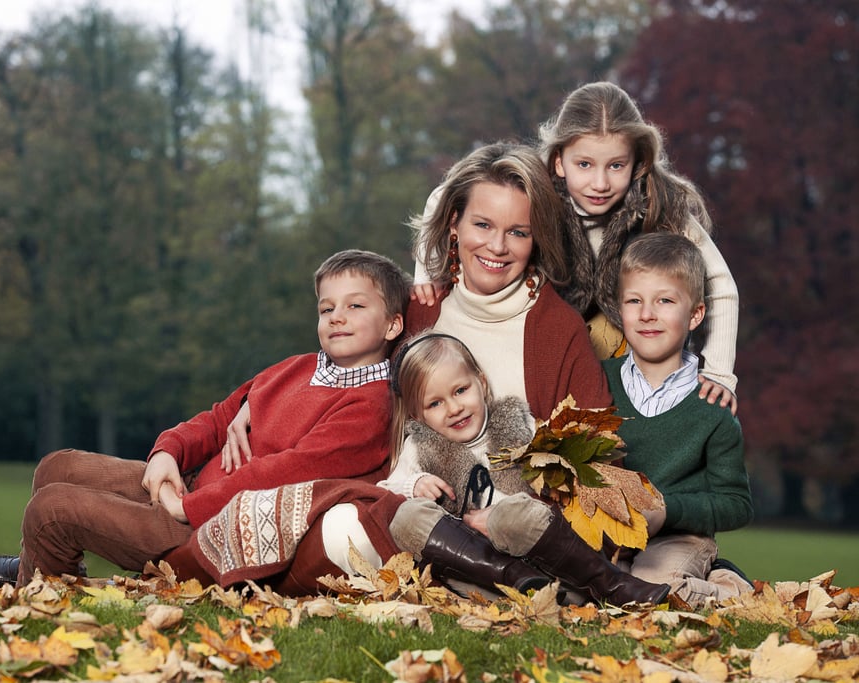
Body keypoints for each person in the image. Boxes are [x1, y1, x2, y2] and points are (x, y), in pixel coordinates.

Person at [219, 142, 667, 605]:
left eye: (517, 232)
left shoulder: (557, 328)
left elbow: (596, 451)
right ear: (454, 225)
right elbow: (339, 363)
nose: (497, 246)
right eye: (482, 225)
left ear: (537, 239)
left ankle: (543, 582)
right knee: (347, 529)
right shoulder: (418, 312)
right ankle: (504, 584)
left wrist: (518, 514)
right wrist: (250, 404)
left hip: (521, 518)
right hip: (422, 518)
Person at [0, 249, 411, 588]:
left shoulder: (371, 405)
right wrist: (166, 453)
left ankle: (41, 592)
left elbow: (286, 473)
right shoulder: (294, 369)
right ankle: (50, 568)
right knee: (56, 466)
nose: (337, 317)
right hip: (191, 487)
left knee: (51, 508)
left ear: (392, 326)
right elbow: (217, 420)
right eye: (326, 308)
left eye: (355, 306)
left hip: (208, 527)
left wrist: (187, 508)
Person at [413, 82, 740, 414]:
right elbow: (444, 196)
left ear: (637, 163)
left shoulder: (660, 204)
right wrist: (425, 271)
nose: (599, 183)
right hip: (560, 342)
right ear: (558, 161)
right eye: (584, 164)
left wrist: (718, 372)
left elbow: (720, 285)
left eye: (616, 166)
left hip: (633, 351)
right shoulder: (542, 187)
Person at [382, 331, 669, 606]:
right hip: (479, 575)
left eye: (460, 390)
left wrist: (499, 519)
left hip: (540, 559)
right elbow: (387, 492)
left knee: (513, 515)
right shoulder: (421, 446)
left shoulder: (518, 424)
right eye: (435, 403)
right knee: (405, 516)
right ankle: (520, 583)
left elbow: (557, 478)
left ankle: (610, 583)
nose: (454, 407)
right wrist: (414, 483)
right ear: (417, 415)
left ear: (481, 384)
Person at [603, 232, 753, 607]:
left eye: (665, 301)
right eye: (634, 301)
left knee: (653, 589)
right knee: (597, 587)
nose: (647, 314)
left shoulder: (712, 407)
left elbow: (736, 504)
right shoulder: (598, 381)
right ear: (619, 309)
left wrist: (669, 510)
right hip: (612, 532)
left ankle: (732, 589)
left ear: (695, 314)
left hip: (679, 536)